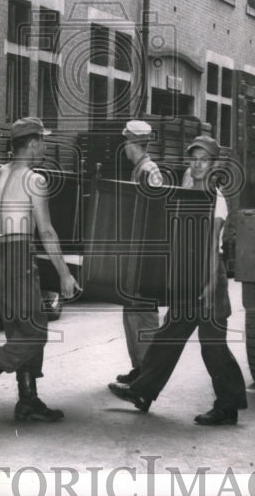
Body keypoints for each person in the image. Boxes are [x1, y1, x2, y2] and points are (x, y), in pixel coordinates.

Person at [107, 135, 247, 426]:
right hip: (188, 277)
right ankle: (143, 392)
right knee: (167, 338)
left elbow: (211, 245)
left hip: (210, 278)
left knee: (214, 347)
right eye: (193, 159)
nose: (197, 165)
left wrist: (209, 285)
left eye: (203, 160)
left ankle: (228, 407)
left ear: (214, 165)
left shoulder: (216, 199)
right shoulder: (187, 190)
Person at [0, 117, 79, 422]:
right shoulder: (34, 180)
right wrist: (64, 273)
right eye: (43, 141)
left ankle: (28, 399)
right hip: (18, 257)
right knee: (35, 334)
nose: (45, 147)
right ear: (33, 143)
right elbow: (47, 231)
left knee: (22, 328)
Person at [114, 120, 165, 386]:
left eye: (125, 142)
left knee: (144, 315)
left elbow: (157, 216)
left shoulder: (149, 170)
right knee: (132, 313)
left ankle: (149, 372)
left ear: (131, 143)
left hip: (145, 256)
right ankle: (140, 367)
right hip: (136, 253)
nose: (124, 146)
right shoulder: (140, 169)